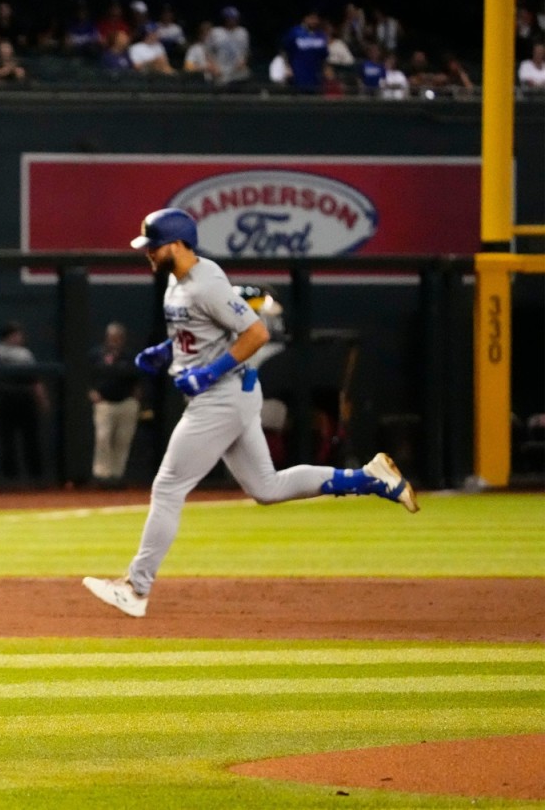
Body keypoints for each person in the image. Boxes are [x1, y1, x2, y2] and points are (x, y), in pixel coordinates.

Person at [82, 208, 419, 618]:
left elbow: (255, 333)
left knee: (168, 488)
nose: (147, 253)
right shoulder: (177, 281)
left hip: (220, 398)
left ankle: (136, 587)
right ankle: (370, 479)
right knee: (267, 487)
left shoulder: (206, 283)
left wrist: (208, 373)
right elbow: (199, 333)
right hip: (227, 397)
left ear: (176, 244)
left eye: (153, 246)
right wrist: (166, 352)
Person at [88, 321, 144, 488]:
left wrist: (136, 399)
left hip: (126, 403)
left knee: (122, 440)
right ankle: (101, 475)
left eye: (118, 337)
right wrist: (91, 392)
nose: (114, 341)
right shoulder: (96, 355)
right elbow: (85, 375)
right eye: (112, 337)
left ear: (123, 338)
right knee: (103, 438)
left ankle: (116, 476)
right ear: (106, 338)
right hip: (104, 403)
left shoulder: (130, 357)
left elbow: (138, 380)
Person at [0, 321, 48, 482]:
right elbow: (35, 382)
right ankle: (16, 478)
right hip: (9, 400)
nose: (20, 337)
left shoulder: (23, 353)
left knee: (29, 440)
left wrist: (41, 399)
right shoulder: (0, 352)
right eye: (17, 334)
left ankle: (32, 477)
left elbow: (34, 380)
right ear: (9, 336)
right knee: (9, 441)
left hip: (21, 400)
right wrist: (42, 400)